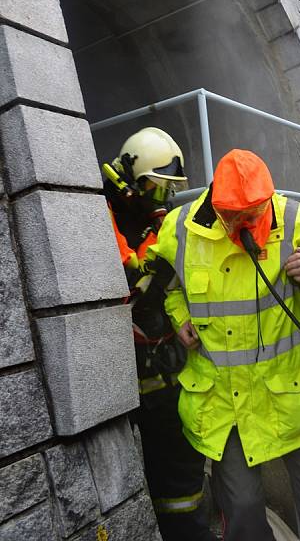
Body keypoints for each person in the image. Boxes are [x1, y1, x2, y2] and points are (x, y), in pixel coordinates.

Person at [144, 148, 300, 541]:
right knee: (242, 514)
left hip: (292, 396)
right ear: (217, 203)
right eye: (236, 216)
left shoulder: (298, 219)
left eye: (254, 213)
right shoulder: (179, 229)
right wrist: (180, 319)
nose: (246, 222)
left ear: (268, 198)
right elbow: (168, 287)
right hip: (222, 407)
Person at [104, 127, 215, 541]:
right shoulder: (101, 214)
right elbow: (128, 277)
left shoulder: (159, 223)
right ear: (132, 182)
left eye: (169, 190)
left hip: (166, 371)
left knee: (181, 474)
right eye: (156, 188)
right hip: (128, 377)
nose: (163, 200)